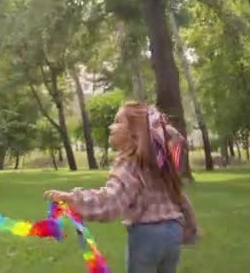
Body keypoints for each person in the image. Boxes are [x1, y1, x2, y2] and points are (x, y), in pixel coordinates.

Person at [45, 101, 199, 273]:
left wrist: (73, 199)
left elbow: (111, 201)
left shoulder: (130, 163)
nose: (112, 126)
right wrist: (191, 228)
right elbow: (180, 196)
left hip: (147, 237)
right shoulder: (160, 163)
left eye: (118, 122)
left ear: (135, 133)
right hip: (173, 234)